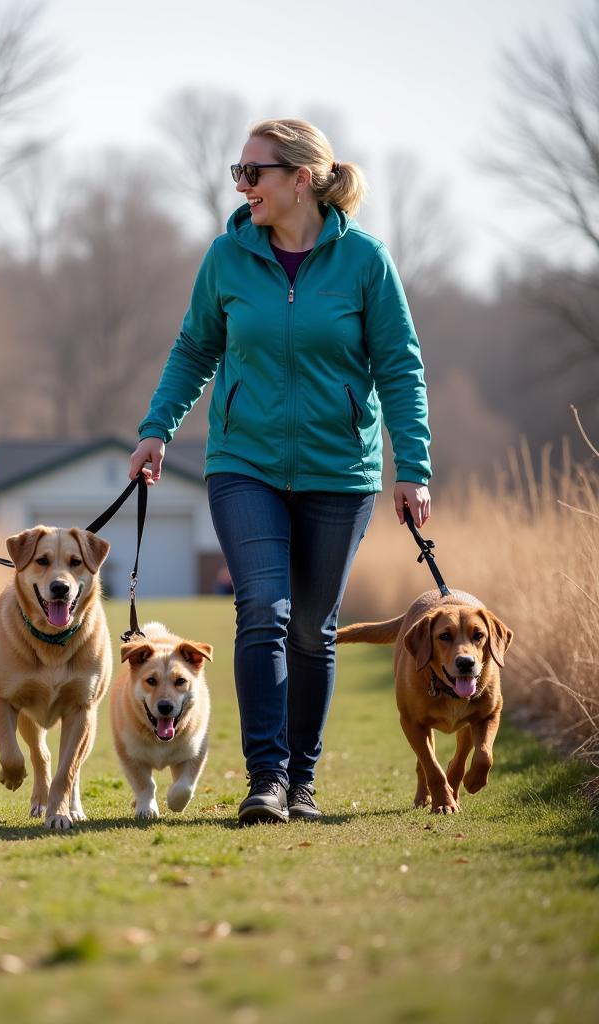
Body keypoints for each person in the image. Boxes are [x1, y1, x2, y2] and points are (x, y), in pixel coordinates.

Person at [129, 118, 431, 825]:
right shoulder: (227, 258)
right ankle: (265, 780)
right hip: (245, 464)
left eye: (253, 173)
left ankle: (302, 783)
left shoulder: (365, 261)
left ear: (302, 179)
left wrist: (411, 466)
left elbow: (401, 369)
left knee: (311, 631)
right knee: (263, 609)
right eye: (239, 172)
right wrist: (156, 429)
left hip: (340, 471)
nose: (241, 186)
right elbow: (194, 349)